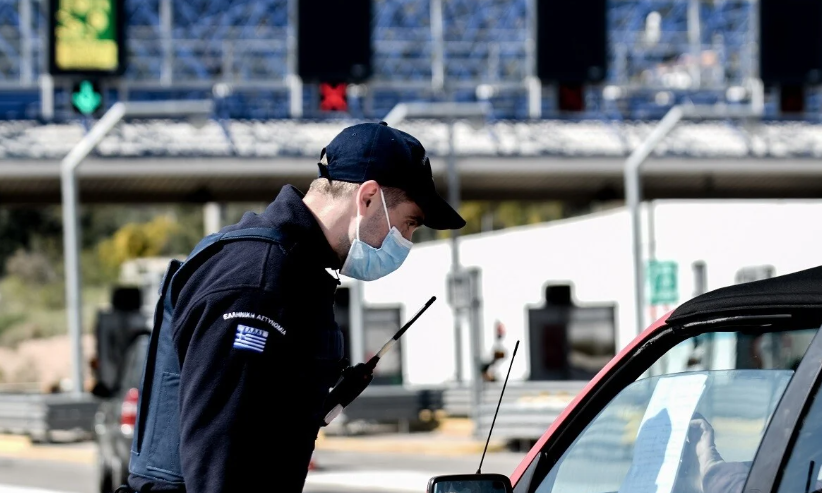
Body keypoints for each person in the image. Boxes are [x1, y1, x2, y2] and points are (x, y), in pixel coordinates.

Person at [122, 122, 465, 493]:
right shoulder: (258, 285)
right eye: (408, 224)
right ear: (367, 199)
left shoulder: (291, 274)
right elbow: (220, 460)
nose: (407, 241)